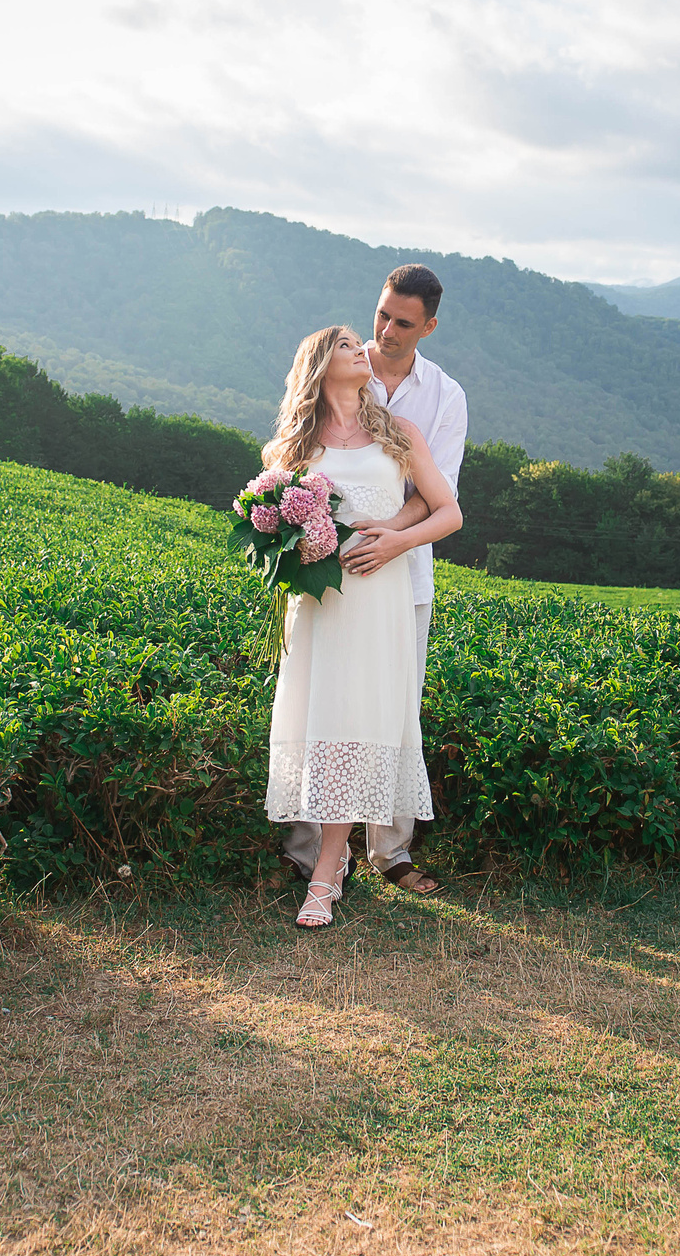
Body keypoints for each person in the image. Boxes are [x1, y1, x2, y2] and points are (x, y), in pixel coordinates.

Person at [262, 322, 463, 930]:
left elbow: (449, 511)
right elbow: (274, 527)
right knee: (324, 720)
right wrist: (293, 549)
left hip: (379, 597)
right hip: (320, 604)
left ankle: (328, 868)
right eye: (350, 346)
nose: (364, 352)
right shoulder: (290, 449)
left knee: (362, 720)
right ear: (322, 366)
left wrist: (397, 541)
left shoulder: (399, 433)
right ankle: (331, 859)